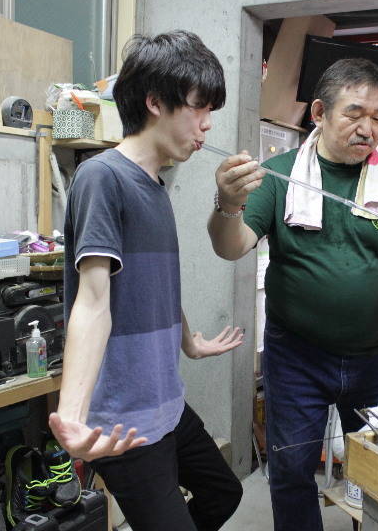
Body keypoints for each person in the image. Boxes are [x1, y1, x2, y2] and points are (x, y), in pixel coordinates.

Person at [208, 58, 378, 530]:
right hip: (296, 357)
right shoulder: (277, 175)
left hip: (375, 355)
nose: (369, 128)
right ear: (318, 112)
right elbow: (230, 246)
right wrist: (228, 204)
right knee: (293, 469)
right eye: (355, 113)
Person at [48, 31, 244, 531]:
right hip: (124, 422)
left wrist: (189, 342)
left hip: (167, 404)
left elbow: (154, 286)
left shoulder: (155, 185)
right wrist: (71, 417)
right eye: (199, 108)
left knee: (223, 493)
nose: (206, 125)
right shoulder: (101, 177)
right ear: (155, 101)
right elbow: (92, 304)